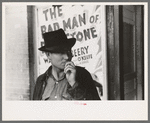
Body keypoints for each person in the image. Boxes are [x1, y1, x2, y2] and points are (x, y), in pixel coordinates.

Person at [33, 29, 100, 100]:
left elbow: (94, 108)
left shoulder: (83, 75)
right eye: (61, 52)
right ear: (48, 55)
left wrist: (73, 83)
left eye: (68, 51)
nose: (67, 57)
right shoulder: (41, 81)